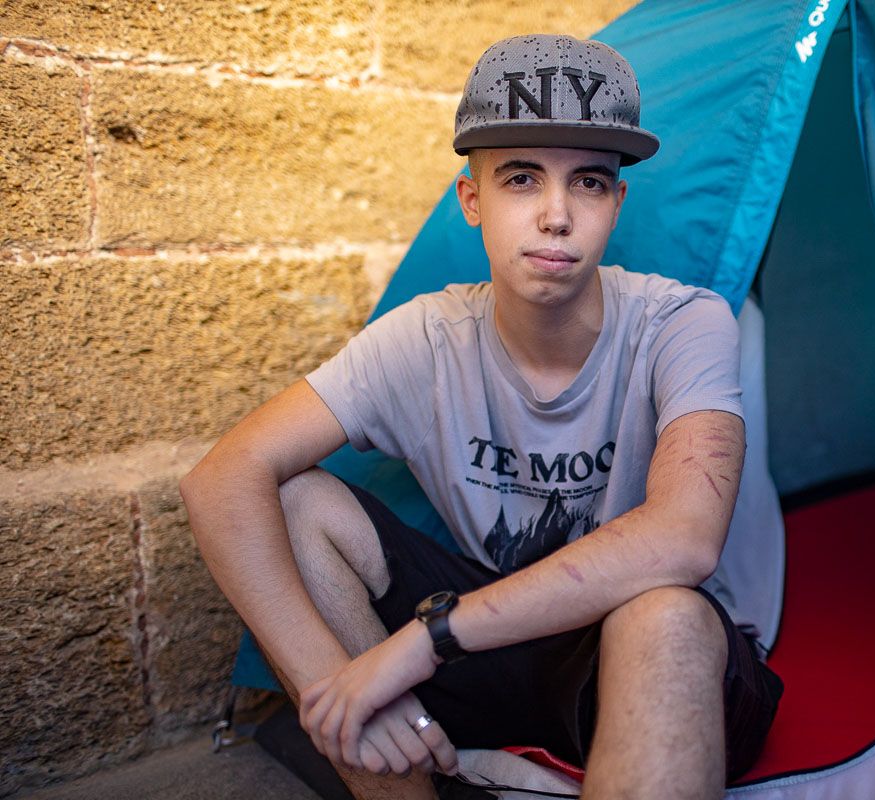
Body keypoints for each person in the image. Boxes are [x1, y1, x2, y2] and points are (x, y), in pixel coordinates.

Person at [181, 34, 782, 800]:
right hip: (496, 656)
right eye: (523, 178)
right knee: (296, 501)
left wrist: (422, 643)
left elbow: (686, 537)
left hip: (645, 658)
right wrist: (338, 689)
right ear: (473, 199)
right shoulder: (427, 336)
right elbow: (219, 482)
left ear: (616, 203)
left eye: (590, 183)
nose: (558, 216)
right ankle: (407, 784)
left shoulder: (683, 322)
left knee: (664, 611)